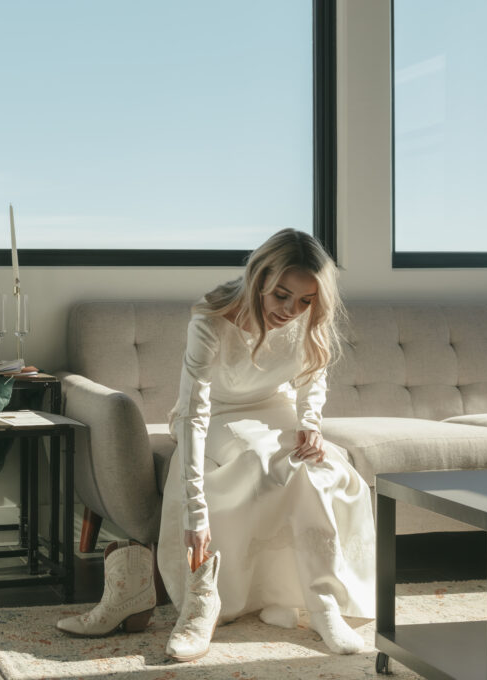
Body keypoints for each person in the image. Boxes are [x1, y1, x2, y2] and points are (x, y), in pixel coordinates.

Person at [158, 228, 375, 661]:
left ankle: (320, 603)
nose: (291, 310)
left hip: (273, 406)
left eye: (305, 301)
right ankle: (215, 599)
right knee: (261, 460)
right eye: (281, 295)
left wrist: (310, 423)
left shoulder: (305, 316)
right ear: (259, 278)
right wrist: (195, 512)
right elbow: (194, 411)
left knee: (322, 467)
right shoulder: (209, 320)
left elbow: (314, 371)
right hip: (217, 413)